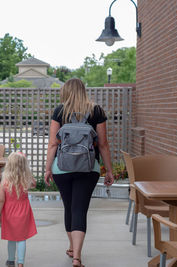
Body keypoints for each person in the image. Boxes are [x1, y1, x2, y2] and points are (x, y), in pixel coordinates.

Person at [44, 78, 114, 267]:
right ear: (84, 90)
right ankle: (77, 256)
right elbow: (103, 144)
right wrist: (109, 170)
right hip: (88, 167)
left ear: (66, 91)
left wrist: (48, 168)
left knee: (69, 207)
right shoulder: (96, 111)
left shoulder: (60, 111)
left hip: (62, 167)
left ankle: (72, 248)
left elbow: (52, 143)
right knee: (80, 209)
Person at [0, 151, 37, 267]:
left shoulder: (5, 182)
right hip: (24, 212)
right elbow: (34, 184)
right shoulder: (26, 180)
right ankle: (20, 263)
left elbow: (1, 200)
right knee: (21, 238)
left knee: (11, 237)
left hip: (10, 212)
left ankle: (10, 260)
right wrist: (27, 172)